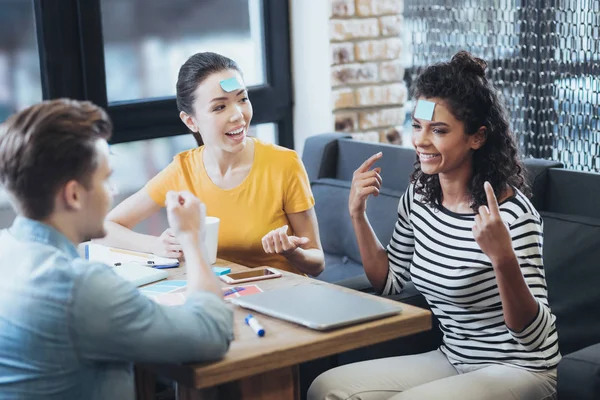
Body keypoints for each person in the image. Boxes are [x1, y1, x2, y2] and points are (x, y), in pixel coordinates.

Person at [308, 51, 560, 399]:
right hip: (455, 358)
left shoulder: (512, 215)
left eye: (438, 130)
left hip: (519, 369)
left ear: (477, 137)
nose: (421, 141)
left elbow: (533, 335)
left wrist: (503, 259)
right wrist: (357, 214)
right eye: (417, 126)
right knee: (327, 389)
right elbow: (390, 283)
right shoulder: (420, 199)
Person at [0, 99, 233, 399]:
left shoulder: (7, 250)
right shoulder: (81, 287)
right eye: (106, 179)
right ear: (73, 195)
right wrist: (192, 239)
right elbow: (212, 333)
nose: (112, 192)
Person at [102, 52, 324, 276]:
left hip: (281, 296)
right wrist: (155, 245)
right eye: (220, 107)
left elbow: (317, 263)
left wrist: (292, 253)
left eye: (242, 99)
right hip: (219, 298)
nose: (238, 115)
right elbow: (107, 228)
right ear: (191, 121)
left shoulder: (284, 164)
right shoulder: (183, 171)